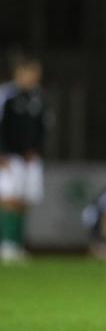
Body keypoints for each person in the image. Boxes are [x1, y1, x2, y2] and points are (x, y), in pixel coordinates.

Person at [0, 57, 46, 263]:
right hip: (10, 156)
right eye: (30, 74)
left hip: (31, 157)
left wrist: (36, 149)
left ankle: (17, 244)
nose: (33, 78)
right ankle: (6, 244)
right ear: (19, 74)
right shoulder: (6, 95)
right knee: (9, 199)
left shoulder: (38, 98)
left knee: (25, 200)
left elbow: (42, 128)